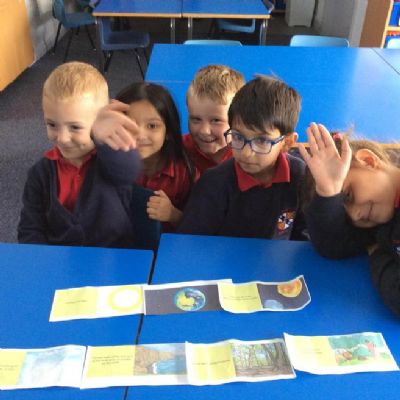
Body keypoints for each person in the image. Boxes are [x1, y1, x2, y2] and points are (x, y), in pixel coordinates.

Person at [18, 62, 159, 249]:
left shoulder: (109, 160)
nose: (62, 138)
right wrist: (39, 258)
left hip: (112, 256)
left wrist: (103, 139)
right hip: (60, 259)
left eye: (75, 127)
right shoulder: (40, 173)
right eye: (52, 124)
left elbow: (128, 169)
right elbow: (30, 228)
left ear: (99, 124)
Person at [178, 75, 306, 240]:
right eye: (238, 137)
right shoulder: (213, 184)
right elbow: (189, 242)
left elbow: (306, 235)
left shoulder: (301, 176)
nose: (246, 153)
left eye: (261, 141)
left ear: (287, 142)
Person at [298, 122, 400, 317]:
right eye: (345, 214)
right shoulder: (381, 218)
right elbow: (331, 245)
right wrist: (328, 193)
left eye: (348, 196)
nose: (354, 215)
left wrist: (378, 253)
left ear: (368, 161)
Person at [115, 82, 197, 230]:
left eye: (152, 126)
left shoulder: (185, 172)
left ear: (168, 132)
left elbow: (197, 227)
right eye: (128, 125)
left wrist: (172, 214)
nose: (140, 135)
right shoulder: (109, 167)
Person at [183, 64, 245, 174]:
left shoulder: (248, 154)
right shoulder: (180, 150)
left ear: (239, 120)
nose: (204, 131)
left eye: (216, 120)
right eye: (196, 119)